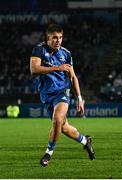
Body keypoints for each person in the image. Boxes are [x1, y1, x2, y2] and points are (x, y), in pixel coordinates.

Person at [30, 23, 95, 167]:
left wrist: (79, 98)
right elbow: (33, 70)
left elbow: (72, 77)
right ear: (48, 38)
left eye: (60, 37)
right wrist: (57, 68)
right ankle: (85, 141)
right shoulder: (39, 50)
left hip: (62, 92)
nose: (58, 40)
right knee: (63, 127)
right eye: (54, 38)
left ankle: (48, 153)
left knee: (57, 119)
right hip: (46, 94)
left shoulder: (66, 53)